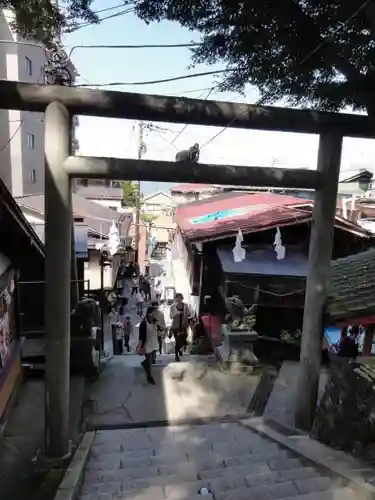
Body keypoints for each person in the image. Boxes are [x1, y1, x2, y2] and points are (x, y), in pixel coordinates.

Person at [138, 306, 158, 385]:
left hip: (154, 342)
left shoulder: (154, 320)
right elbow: (141, 336)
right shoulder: (143, 323)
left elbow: (157, 329)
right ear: (149, 313)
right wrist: (140, 346)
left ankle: (145, 364)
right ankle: (149, 377)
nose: (155, 314)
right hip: (147, 344)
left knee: (152, 359)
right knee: (149, 360)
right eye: (154, 312)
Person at [170, 293, 190, 362]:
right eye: (177, 298)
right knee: (177, 341)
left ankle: (179, 349)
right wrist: (177, 313)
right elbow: (171, 316)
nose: (178, 299)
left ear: (182, 298)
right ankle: (176, 355)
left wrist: (187, 323)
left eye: (179, 298)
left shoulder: (186, 306)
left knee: (183, 340)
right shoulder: (173, 306)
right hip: (176, 327)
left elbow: (188, 314)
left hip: (184, 326)